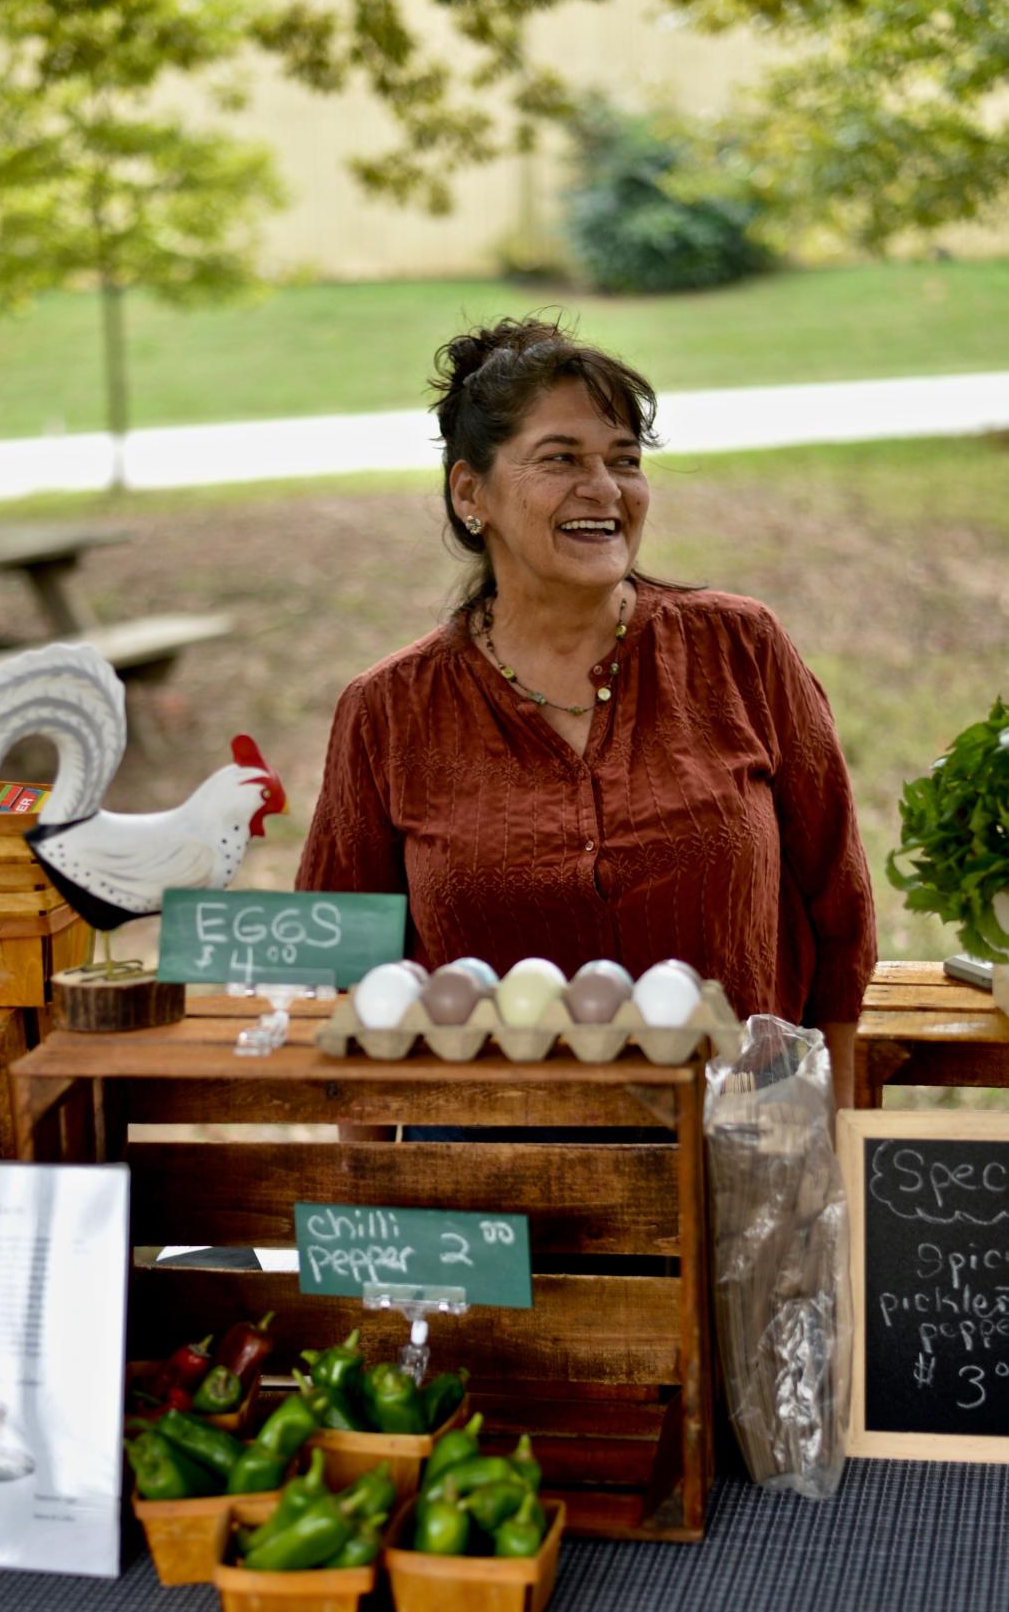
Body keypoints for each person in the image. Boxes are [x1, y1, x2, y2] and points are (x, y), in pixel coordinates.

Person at [296, 317, 876, 1107]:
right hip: (490, 1179)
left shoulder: (742, 650)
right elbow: (347, 975)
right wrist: (375, 1197)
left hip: (741, 1146)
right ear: (472, 493)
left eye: (625, 461)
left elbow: (838, 911)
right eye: (561, 459)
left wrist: (835, 1136)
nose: (604, 489)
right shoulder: (389, 710)